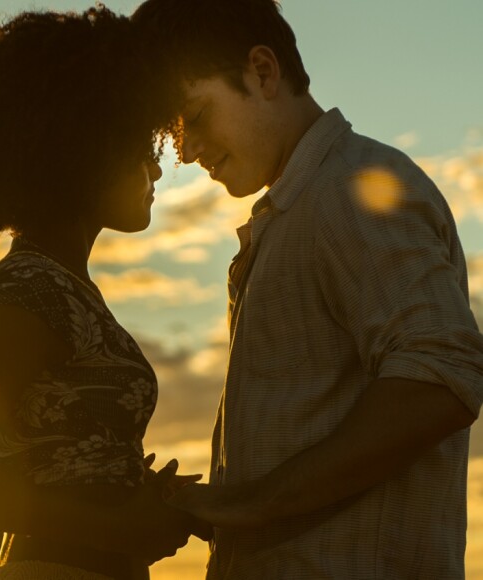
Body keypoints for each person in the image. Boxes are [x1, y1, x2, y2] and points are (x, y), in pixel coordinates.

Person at [131, 0, 483, 578]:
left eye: (195, 116)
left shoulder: (351, 188)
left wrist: (249, 504)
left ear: (263, 72)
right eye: (174, 132)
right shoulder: (297, 209)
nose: (187, 151)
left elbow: (440, 376)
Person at [0, 6, 210, 580]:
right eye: (141, 147)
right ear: (85, 150)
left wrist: (131, 487)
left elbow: (43, 453)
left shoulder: (61, 286)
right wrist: (117, 527)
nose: (157, 169)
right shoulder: (32, 292)